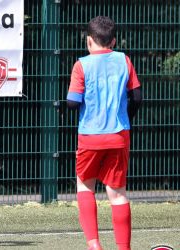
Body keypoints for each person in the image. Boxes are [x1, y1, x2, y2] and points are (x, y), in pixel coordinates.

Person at [67, 16, 142, 250]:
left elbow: (72, 101)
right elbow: (137, 97)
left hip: (90, 135)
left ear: (89, 41)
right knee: (118, 193)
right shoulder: (124, 60)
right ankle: (123, 247)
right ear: (114, 40)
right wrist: (125, 117)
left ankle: (94, 244)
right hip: (119, 135)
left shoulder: (82, 65)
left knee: (84, 186)